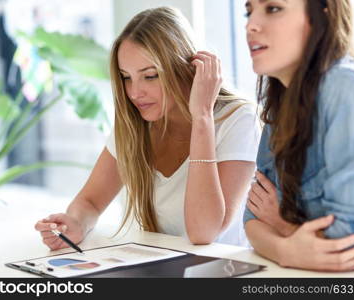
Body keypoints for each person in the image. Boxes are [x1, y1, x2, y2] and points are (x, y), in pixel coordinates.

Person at [35, 7, 261, 249]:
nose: (134, 92)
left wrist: (202, 116)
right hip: (162, 268)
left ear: (186, 68)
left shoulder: (237, 119)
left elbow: (203, 232)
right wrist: (75, 224)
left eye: (150, 76)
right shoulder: (136, 124)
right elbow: (90, 201)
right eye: (126, 77)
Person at [243, 0, 354, 271]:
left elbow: (349, 245)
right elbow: (253, 218)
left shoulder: (346, 88)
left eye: (273, 8)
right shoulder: (282, 99)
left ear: (321, 16)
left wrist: (282, 226)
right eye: (249, 11)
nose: (251, 25)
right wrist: (286, 250)